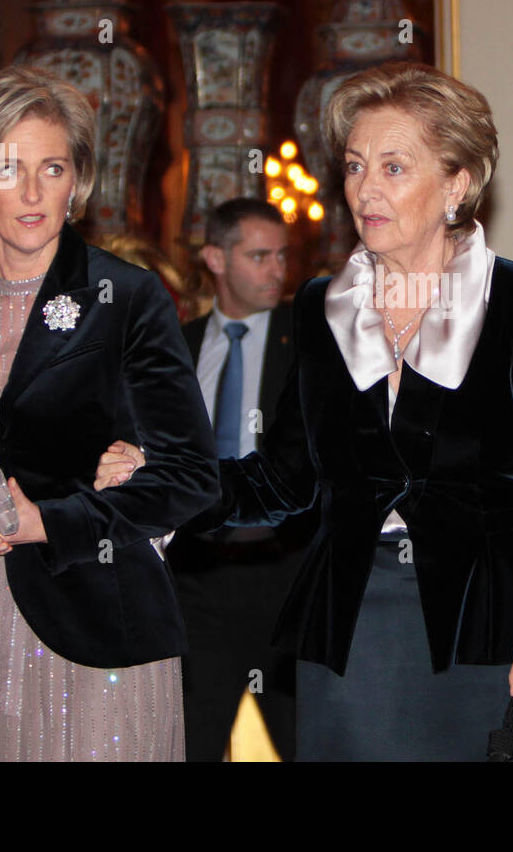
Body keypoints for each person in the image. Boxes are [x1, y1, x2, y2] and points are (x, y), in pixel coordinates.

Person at [99, 62, 513, 760]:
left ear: (457, 183)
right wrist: (163, 477)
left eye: (393, 167)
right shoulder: (323, 309)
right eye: (354, 167)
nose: (365, 188)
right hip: (351, 636)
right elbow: (282, 480)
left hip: (499, 629)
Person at [0, 64, 219, 761]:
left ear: (77, 182)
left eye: (53, 167)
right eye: (9, 168)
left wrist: (46, 520)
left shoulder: (129, 297)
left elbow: (190, 477)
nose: (33, 191)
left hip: (104, 626)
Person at [162, 197, 314, 761]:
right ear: (215, 259)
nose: (277, 270)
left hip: (286, 571)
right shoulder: (175, 347)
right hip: (195, 575)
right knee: (188, 740)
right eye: (258, 256)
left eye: (281, 256)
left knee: (305, 738)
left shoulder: (310, 342)